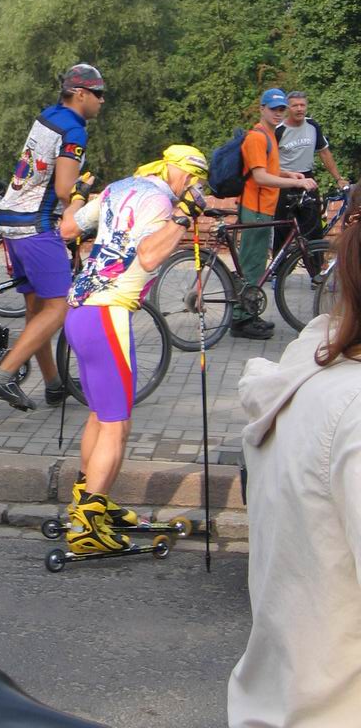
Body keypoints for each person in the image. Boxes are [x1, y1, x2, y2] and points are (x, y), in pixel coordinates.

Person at [228, 185, 361, 728]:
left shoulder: (309, 369)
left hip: (278, 702)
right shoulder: (353, 410)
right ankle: (243, 301)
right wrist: (297, 183)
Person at [58, 145, 208, 556]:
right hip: (108, 317)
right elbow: (148, 254)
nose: (196, 189)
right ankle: (88, 525)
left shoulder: (120, 187)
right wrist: (182, 217)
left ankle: (90, 501)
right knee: (116, 425)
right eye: (197, 181)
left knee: (100, 415)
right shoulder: (161, 203)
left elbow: (68, 229)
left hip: (80, 313)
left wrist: (77, 197)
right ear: (184, 175)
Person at [0, 64, 105, 411]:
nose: (102, 100)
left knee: (37, 310)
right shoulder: (74, 130)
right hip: (35, 226)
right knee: (59, 307)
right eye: (98, 93)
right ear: (80, 94)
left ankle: (54, 385)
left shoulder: (49, 115)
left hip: (10, 220)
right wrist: (83, 197)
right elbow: (64, 189)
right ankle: (3, 375)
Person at [233, 88, 318, 340]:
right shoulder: (257, 137)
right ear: (262, 109)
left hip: (264, 208)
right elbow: (259, 177)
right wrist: (296, 183)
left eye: (282, 109)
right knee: (252, 264)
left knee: (257, 263)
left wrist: (288, 174)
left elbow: (268, 169)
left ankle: (249, 313)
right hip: (255, 208)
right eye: (273, 109)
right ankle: (240, 321)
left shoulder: (270, 134)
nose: (278, 113)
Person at [272, 89, 349, 253]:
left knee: (313, 227)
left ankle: (315, 266)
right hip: (285, 181)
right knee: (282, 228)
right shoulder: (278, 130)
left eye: (302, 105)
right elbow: (269, 162)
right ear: (288, 108)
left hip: (307, 178)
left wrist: (338, 178)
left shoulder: (312, 126)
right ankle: (279, 266)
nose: (299, 109)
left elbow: (324, 153)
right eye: (295, 106)